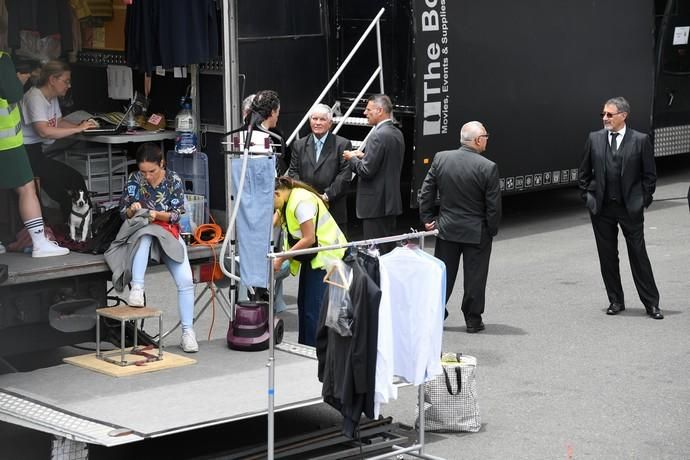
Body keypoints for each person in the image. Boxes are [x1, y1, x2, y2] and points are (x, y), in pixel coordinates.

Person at [578, 96, 663, 320]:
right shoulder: (594, 139)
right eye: (603, 114)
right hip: (602, 208)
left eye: (609, 114)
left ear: (623, 116)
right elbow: (584, 173)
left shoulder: (640, 140)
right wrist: (588, 197)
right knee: (607, 256)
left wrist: (642, 200)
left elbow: (650, 176)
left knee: (638, 254)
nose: (604, 118)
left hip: (630, 208)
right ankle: (615, 300)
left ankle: (651, 304)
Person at [419, 121, 501, 332]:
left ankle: (435, 314)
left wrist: (428, 218)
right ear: (477, 140)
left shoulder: (441, 158)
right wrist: (491, 230)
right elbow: (493, 206)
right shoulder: (487, 167)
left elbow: (427, 191)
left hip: (446, 228)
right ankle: (473, 320)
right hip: (477, 231)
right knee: (475, 277)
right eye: (485, 136)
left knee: (443, 275)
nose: (487, 140)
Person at [116, 143, 199, 352]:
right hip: (142, 230)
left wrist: (156, 215)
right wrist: (132, 210)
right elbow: (121, 211)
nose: (147, 176)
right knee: (144, 236)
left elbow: (178, 214)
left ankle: (188, 332)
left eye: (151, 171)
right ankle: (137, 287)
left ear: (162, 163)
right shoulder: (134, 179)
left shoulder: (173, 180)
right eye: (143, 171)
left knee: (186, 280)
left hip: (166, 230)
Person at [0, 51, 69, 257]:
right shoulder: (2, 58)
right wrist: (16, 79)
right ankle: (39, 241)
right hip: (6, 141)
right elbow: (13, 94)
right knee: (27, 188)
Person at [272, 176, 347, 346]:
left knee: (315, 308)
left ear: (277, 194)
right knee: (305, 305)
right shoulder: (287, 199)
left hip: (327, 258)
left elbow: (309, 238)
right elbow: (275, 220)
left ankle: (316, 349)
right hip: (313, 258)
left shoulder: (301, 203)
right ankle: (306, 346)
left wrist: (282, 258)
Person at [19, 60, 97, 221]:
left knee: (69, 182)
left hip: (35, 153)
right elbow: (44, 131)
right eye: (66, 81)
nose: (69, 86)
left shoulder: (52, 97)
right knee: (67, 184)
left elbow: (59, 122)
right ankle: (78, 226)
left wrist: (81, 126)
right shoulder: (35, 97)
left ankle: (80, 226)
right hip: (24, 154)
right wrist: (77, 129)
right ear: (52, 80)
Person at [343, 94, 404, 253]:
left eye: (368, 109)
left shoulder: (377, 135)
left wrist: (351, 158)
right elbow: (387, 162)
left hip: (375, 206)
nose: (365, 113)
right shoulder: (396, 133)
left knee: (375, 254)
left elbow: (366, 171)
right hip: (390, 203)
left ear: (379, 110)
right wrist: (365, 156)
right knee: (387, 251)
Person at [288, 103, 352, 231]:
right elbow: (293, 172)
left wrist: (326, 196)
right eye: (314, 119)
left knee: (334, 250)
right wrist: (307, 195)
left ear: (330, 123)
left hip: (333, 208)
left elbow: (344, 175)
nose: (317, 123)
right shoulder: (299, 145)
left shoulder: (342, 144)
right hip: (306, 209)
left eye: (322, 119)